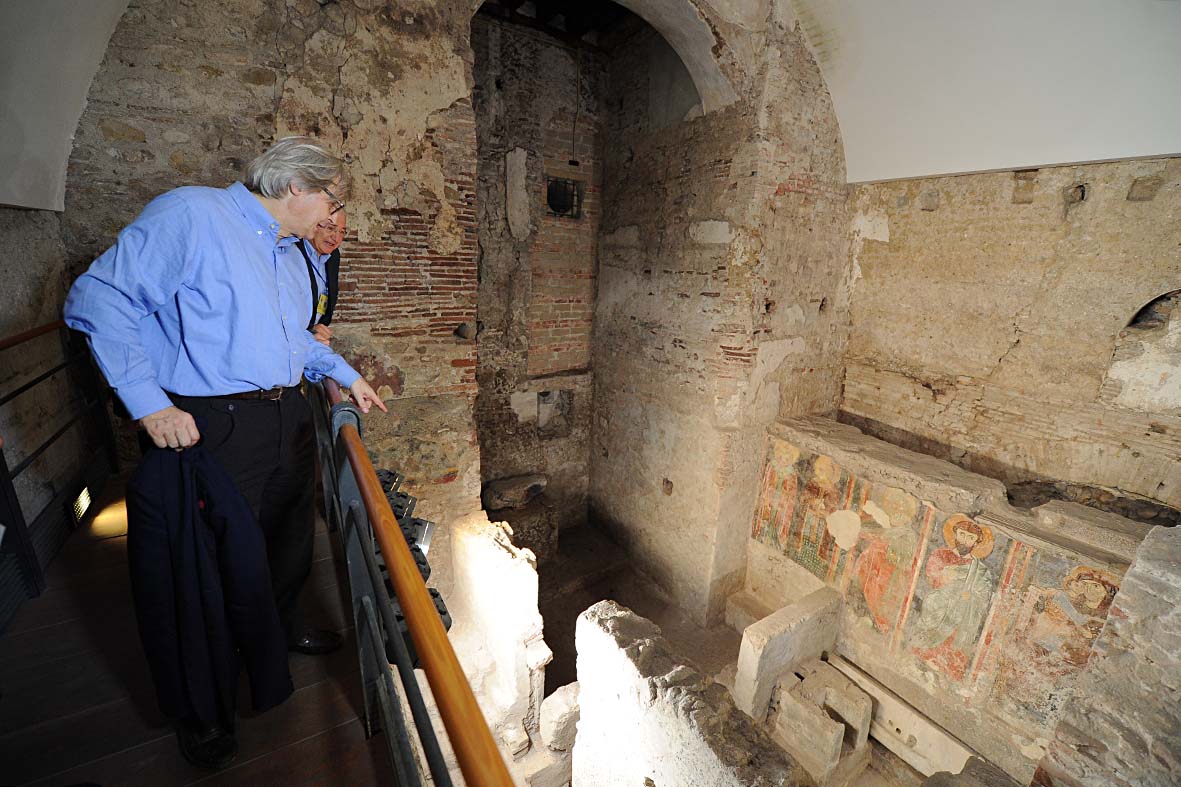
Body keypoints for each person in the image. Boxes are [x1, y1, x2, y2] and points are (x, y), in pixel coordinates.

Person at [63, 136, 388, 767]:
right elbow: (99, 298)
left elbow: (295, 339)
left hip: (287, 414)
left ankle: (274, 639)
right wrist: (148, 402)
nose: (332, 213)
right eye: (330, 196)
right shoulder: (192, 214)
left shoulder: (293, 254)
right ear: (295, 186)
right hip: (213, 422)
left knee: (285, 541)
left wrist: (344, 372)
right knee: (201, 575)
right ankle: (204, 713)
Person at [298, 211, 345, 345]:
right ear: (314, 226)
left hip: (318, 341)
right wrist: (308, 333)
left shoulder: (333, 256)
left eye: (342, 232)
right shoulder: (292, 251)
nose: (336, 238)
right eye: (330, 228)